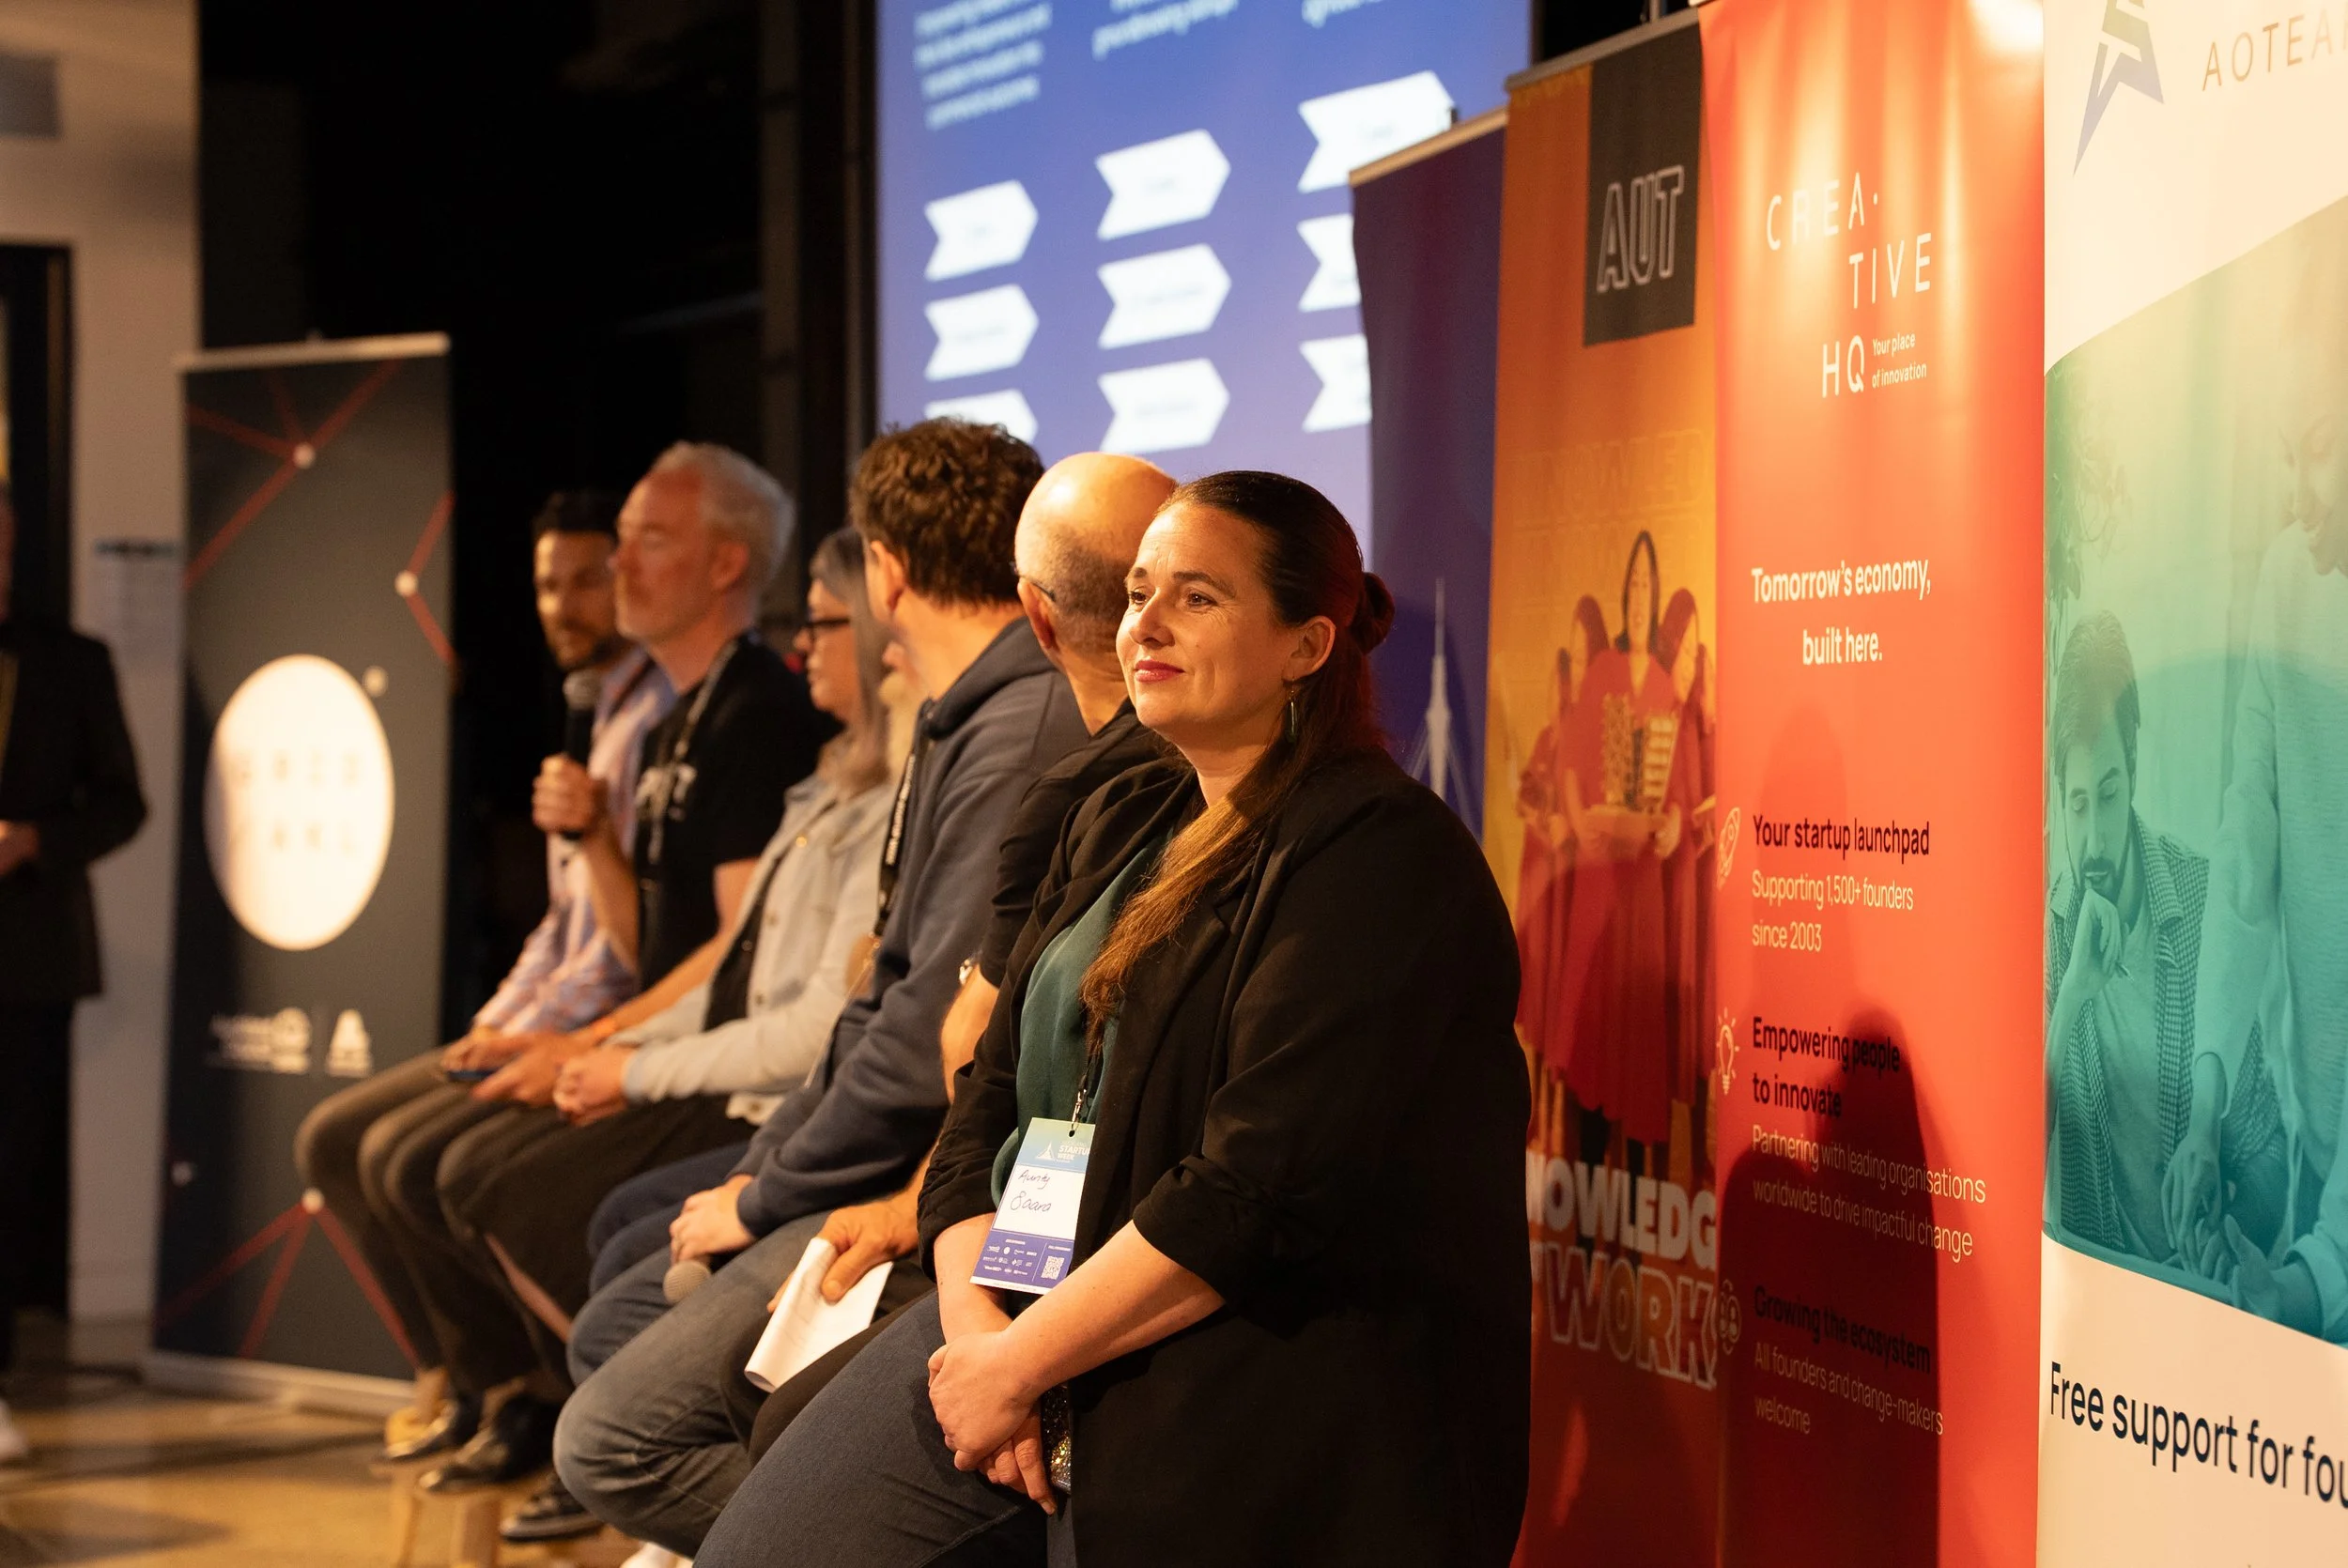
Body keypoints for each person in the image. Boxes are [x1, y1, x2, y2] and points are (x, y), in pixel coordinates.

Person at [697, 470, 1529, 1568]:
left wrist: (1020, 1361)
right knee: (764, 1468)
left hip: (1243, 1369)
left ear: (1308, 645)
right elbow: (986, 1088)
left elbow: (1253, 1192)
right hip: (1023, 1301)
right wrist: (976, 1335)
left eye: (1198, 597)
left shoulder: (1376, 856)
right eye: (1139, 591)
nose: (1146, 623)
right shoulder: (1122, 809)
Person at [550, 418, 1091, 1555]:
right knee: (622, 1328)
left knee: (617, 1426)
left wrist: (773, 1190)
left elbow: (933, 1051)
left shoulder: (1020, 728)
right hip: (935, 1191)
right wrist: (771, 1173)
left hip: (962, 1202)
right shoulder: (970, 723)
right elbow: (901, 1014)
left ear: (885, 570)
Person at [446, 529, 905, 1541]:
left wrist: (631, 1065)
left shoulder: (880, 785)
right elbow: (731, 965)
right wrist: (593, 1044)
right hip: (775, 1099)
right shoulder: (830, 774)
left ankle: (663, 1482)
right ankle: (568, 1430)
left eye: (824, 625)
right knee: (517, 1194)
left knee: (596, 1234)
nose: (805, 647)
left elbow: (820, 1025)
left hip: (797, 1110)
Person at [293, 490, 674, 1466]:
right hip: (544, 1014)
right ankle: (470, 1377)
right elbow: (562, 924)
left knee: (402, 1156)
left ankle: (529, 1395)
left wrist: (540, 1031)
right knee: (337, 1137)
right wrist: (499, 1015)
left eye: (588, 577)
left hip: (612, 1029)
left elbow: (639, 946)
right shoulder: (592, 711)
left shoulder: (660, 717)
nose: (564, 603)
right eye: (549, 583)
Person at [2170, 244, 2348, 1333]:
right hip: (2318, 1146)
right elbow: (2243, 861)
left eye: (2315, 452)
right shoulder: (2290, 576)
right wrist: (2201, 1100)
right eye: (2281, 457)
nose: (2294, 493)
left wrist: (2316, 1273)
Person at [2043, 611, 2286, 1268]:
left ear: (2135, 767)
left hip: (2187, 1316)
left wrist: (2227, 1237)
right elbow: (2012, 1160)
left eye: (2111, 795)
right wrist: (2071, 997)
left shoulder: (2203, 904)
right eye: (2078, 802)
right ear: (2058, 794)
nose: (2093, 840)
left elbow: (2267, 1157)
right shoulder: (2043, 936)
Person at [0, 485, 146, 1463]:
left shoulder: (72, 661)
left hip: (27, 955)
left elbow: (125, 801)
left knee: (8, 1171)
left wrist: (34, 840)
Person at [1561, 530, 1682, 1181]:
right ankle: (1584, 1172)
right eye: (1630, 585)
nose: (1638, 597)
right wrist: (1582, 825)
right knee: (1595, 1021)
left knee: (1634, 1027)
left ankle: (1634, 1181)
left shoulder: (1665, 682)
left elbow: (1679, 789)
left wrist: (1668, 826)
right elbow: (1575, 759)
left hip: (1642, 885)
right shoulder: (1604, 670)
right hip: (1596, 873)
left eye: (1647, 586)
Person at [1515, 595, 1610, 1077]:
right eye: (1568, 661)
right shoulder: (1553, 734)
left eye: (1580, 657)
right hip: (1548, 880)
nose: (1573, 675)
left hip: (1581, 886)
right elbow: (1526, 794)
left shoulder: (1601, 727)